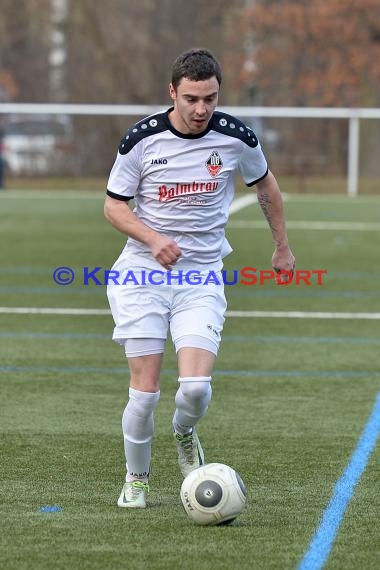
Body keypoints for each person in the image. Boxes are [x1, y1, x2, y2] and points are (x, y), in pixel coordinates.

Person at [104, 48, 295, 508]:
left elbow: (266, 185)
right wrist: (152, 240)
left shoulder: (236, 138)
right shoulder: (142, 140)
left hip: (201, 277)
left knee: (194, 389)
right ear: (172, 92)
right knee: (146, 393)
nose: (201, 109)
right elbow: (113, 206)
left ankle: (185, 433)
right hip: (141, 275)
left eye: (209, 98)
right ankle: (136, 478)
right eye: (191, 98)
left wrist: (282, 246)